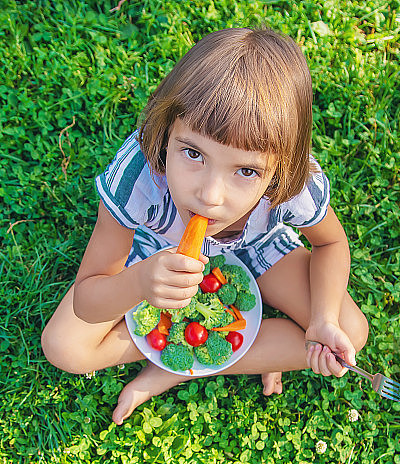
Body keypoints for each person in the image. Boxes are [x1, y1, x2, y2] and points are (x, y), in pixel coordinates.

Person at [42, 27, 368, 425]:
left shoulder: (294, 187)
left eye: (246, 170)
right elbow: (86, 299)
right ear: (165, 134)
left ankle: (170, 369)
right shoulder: (139, 179)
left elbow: (331, 244)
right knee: (64, 347)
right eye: (193, 153)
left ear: (279, 170)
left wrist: (322, 319)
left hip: (257, 247)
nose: (211, 196)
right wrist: (140, 282)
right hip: (155, 248)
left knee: (348, 333)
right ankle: (190, 351)